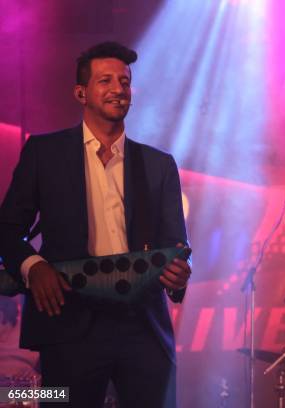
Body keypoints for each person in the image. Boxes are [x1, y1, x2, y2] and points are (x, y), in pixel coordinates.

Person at [0, 41, 191, 408]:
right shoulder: (44, 154)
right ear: (80, 93)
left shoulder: (159, 164)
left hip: (143, 327)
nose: (119, 89)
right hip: (69, 319)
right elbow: (7, 228)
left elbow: (177, 247)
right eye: (106, 80)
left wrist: (180, 273)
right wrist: (33, 266)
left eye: (125, 81)